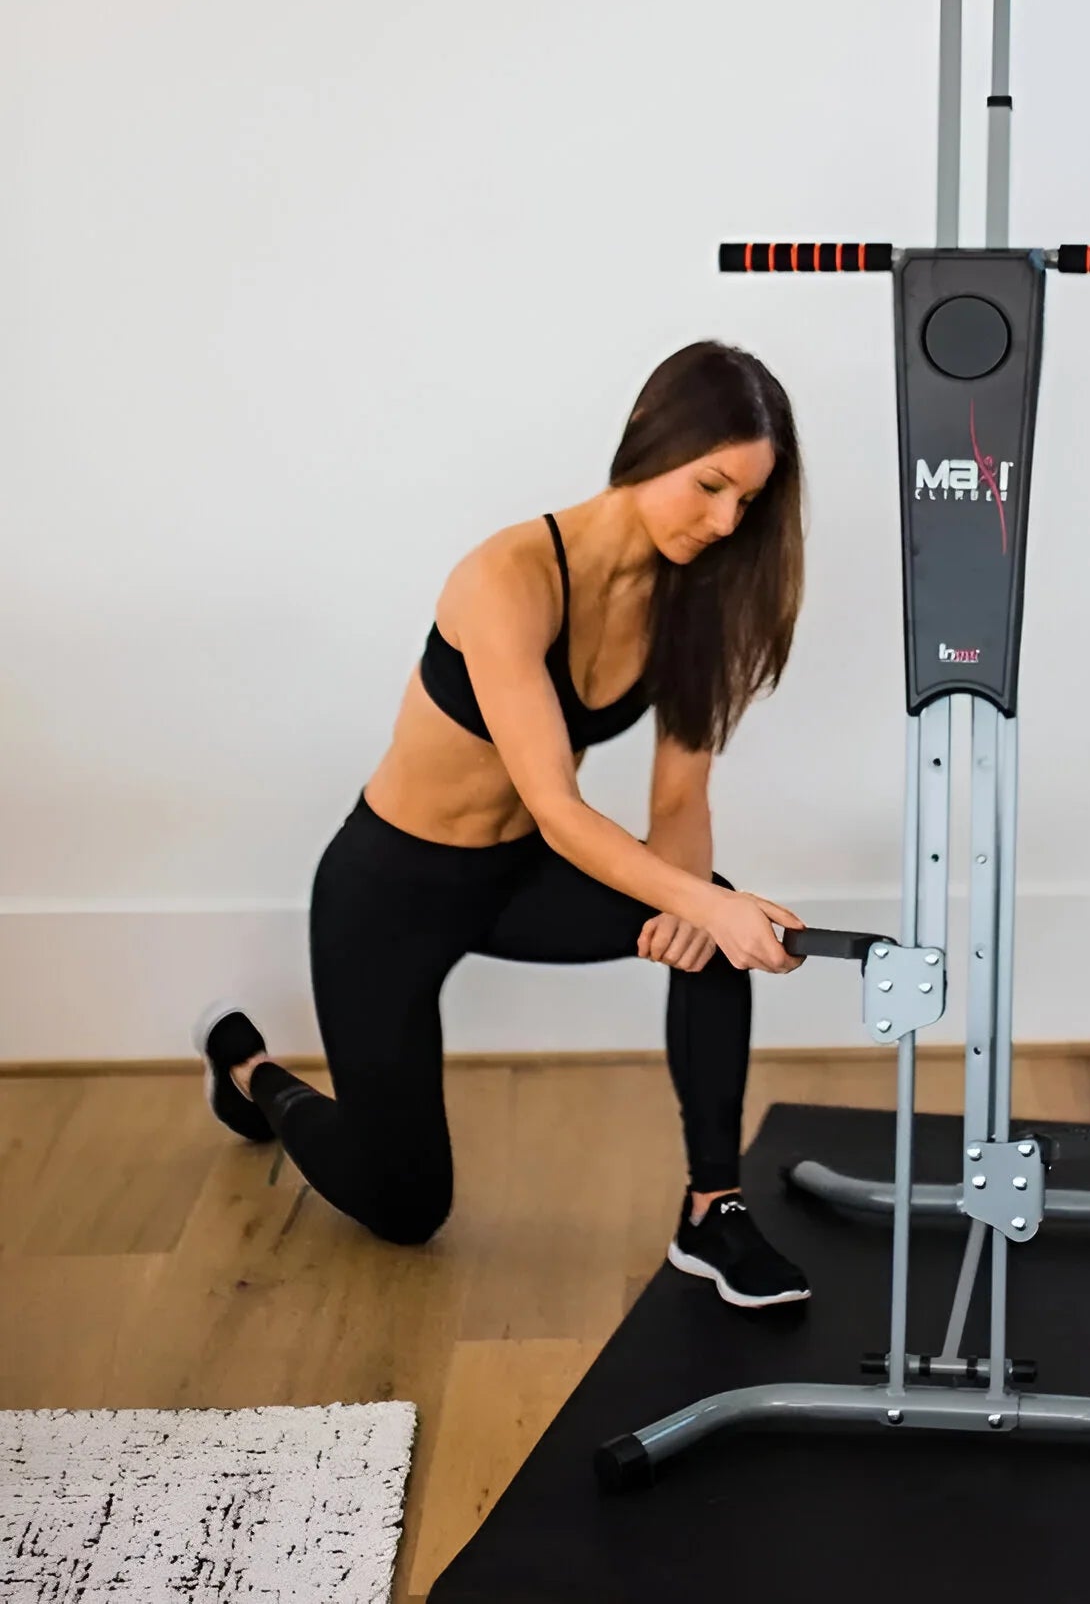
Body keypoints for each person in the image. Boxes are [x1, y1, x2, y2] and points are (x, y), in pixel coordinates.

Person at [194, 339, 817, 1309]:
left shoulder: (692, 599)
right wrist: (692, 896)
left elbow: (678, 802)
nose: (726, 521)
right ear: (653, 444)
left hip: (517, 878)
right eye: (708, 486)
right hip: (388, 889)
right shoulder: (508, 576)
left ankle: (712, 1209)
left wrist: (698, 912)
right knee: (405, 1204)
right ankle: (252, 1071)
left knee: (715, 931)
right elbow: (558, 805)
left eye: (747, 502)